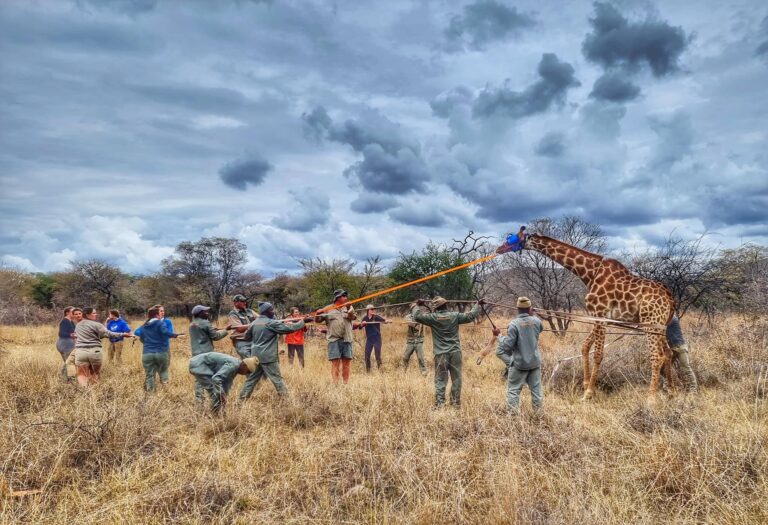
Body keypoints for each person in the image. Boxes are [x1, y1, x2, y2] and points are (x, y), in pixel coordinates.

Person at [411, 296, 482, 408]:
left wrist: (416, 305)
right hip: (455, 353)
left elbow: (417, 316)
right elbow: (471, 316)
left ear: (436, 308)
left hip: (440, 354)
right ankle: (455, 403)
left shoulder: (432, 318)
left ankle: (440, 404)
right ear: (446, 305)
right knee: (456, 379)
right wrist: (477, 304)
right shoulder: (455, 316)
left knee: (440, 379)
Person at [238, 302, 308, 401]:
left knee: (251, 379)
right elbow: (290, 328)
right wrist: (302, 321)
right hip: (268, 357)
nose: (273, 311)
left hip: (255, 357)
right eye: (271, 310)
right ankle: (287, 401)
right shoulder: (271, 323)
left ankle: (241, 400)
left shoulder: (254, 323)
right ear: (266, 311)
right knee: (277, 379)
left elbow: (246, 336)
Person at [495, 297, 544, 415]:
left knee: (513, 391)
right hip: (534, 363)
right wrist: (531, 316)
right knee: (536, 391)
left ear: (517, 308)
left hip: (519, 364)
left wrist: (499, 336)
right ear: (530, 308)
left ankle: (513, 419)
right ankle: (539, 416)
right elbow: (539, 329)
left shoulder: (513, 324)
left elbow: (507, 346)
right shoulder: (537, 321)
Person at [74, 307, 134, 387]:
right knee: (94, 373)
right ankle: (93, 393)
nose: (96, 314)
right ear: (88, 315)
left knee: (82, 374)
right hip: (95, 352)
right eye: (94, 313)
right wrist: (123, 334)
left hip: (80, 352)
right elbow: (108, 334)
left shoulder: (78, 325)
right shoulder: (96, 325)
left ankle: (84, 391)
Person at [189, 352, 258, 414]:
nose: (245, 374)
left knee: (219, 392)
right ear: (244, 365)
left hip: (201, 364)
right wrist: (221, 394)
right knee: (214, 390)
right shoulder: (233, 365)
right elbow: (216, 379)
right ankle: (215, 414)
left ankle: (217, 412)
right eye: (248, 371)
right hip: (199, 364)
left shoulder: (236, 367)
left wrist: (223, 397)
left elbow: (226, 384)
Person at [189, 304, 231, 402]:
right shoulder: (205, 323)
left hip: (195, 354)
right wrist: (226, 330)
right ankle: (216, 398)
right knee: (211, 376)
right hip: (207, 354)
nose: (207, 313)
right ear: (200, 313)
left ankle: (199, 400)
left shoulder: (192, 324)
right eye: (205, 311)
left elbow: (204, 332)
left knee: (199, 377)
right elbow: (215, 336)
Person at [315, 289, 356, 384]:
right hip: (334, 340)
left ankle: (346, 384)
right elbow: (317, 321)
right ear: (338, 298)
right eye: (344, 296)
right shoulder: (327, 309)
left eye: (346, 296)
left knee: (346, 363)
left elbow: (352, 317)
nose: (346, 298)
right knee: (335, 363)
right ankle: (335, 385)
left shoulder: (349, 307)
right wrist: (317, 313)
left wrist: (349, 307)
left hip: (347, 339)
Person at [138, 305, 180, 392]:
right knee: (164, 371)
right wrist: (176, 335)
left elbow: (141, 339)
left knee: (150, 375)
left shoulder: (144, 326)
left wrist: (148, 344)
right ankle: (166, 391)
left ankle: (151, 394)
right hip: (161, 352)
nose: (162, 314)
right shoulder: (161, 323)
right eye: (160, 313)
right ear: (157, 315)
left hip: (147, 353)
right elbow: (166, 332)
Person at [666, 315, 698, 393]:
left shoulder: (672, 318)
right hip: (672, 348)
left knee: (686, 368)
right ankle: (672, 386)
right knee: (666, 369)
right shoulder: (669, 317)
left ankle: (693, 391)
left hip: (680, 347)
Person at [227, 294, 257, 358]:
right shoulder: (233, 314)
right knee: (248, 361)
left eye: (244, 301)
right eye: (242, 301)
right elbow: (239, 329)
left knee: (256, 360)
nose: (245, 303)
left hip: (253, 339)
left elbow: (260, 319)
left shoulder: (249, 311)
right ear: (235, 303)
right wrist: (255, 324)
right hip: (241, 341)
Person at [360, 305, 387, 372]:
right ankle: (368, 371)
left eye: (373, 309)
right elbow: (360, 327)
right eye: (371, 309)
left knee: (377, 355)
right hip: (369, 339)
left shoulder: (376, 317)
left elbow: (384, 321)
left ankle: (381, 371)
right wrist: (362, 324)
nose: (373, 310)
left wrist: (387, 321)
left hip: (377, 338)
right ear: (368, 310)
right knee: (367, 356)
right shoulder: (365, 318)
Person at [55, 307, 77, 380]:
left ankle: (64, 377)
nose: (74, 313)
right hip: (65, 344)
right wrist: (72, 335)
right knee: (69, 362)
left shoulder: (71, 322)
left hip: (69, 343)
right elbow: (61, 333)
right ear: (67, 313)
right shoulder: (65, 321)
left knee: (68, 361)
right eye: (72, 312)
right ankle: (68, 378)